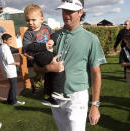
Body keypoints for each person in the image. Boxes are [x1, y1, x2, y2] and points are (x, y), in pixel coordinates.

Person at [34, 0, 106, 130]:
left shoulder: (91, 39)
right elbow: (36, 67)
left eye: (70, 11)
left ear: (80, 12)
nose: (66, 14)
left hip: (77, 96)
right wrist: (49, 68)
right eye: (64, 10)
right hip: (55, 95)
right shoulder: (52, 37)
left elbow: (96, 73)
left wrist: (95, 105)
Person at [24, 37, 71, 107]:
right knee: (60, 68)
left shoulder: (37, 35)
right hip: (42, 55)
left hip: (39, 57)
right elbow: (27, 48)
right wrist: (45, 45)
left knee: (49, 74)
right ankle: (58, 92)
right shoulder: (31, 34)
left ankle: (49, 98)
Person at [22, 4, 54, 96]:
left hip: (48, 55)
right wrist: (44, 46)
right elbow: (28, 47)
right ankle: (35, 88)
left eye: (33, 20)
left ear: (41, 19)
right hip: (36, 58)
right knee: (35, 75)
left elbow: (54, 35)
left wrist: (52, 40)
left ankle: (51, 91)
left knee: (53, 73)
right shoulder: (28, 33)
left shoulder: (46, 27)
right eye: (28, 20)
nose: (30, 23)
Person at [0, 33, 25, 106]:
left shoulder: (2, 47)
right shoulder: (5, 48)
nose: (11, 41)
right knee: (13, 86)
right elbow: (9, 61)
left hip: (8, 69)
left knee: (12, 86)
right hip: (10, 70)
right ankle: (14, 102)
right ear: (4, 40)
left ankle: (9, 101)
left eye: (11, 39)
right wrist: (18, 63)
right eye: (9, 40)